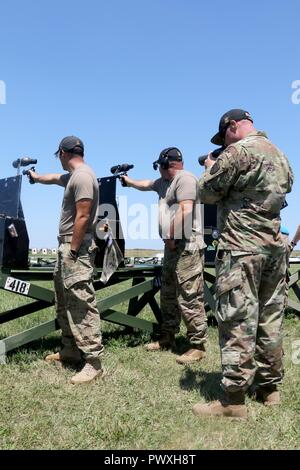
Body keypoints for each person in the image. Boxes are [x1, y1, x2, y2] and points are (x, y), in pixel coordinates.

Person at [193, 109, 294, 419]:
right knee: (270, 319)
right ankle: (269, 390)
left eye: (224, 136)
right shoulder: (280, 155)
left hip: (241, 250)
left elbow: (204, 193)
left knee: (237, 318)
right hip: (274, 251)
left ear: (233, 127)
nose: (224, 143)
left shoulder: (236, 153)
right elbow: (282, 194)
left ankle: (233, 400)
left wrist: (211, 167)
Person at [28, 136, 104, 384]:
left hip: (76, 247)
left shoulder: (82, 176)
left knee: (82, 303)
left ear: (62, 152)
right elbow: (53, 178)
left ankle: (93, 363)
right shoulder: (73, 176)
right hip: (68, 247)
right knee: (64, 300)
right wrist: (36, 177)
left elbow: (83, 216)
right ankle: (70, 349)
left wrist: (72, 250)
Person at [121, 147, 207, 365]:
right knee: (168, 293)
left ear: (167, 164)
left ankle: (197, 345)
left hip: (187, 245)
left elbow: (186, 210)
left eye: (159, 166)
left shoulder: (185, 179)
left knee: (189, 295)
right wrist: (127, 180)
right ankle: (167, 337)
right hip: (172, 247)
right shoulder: (164, 183)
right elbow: (145, 184)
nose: (158, 171)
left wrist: (170, 234)